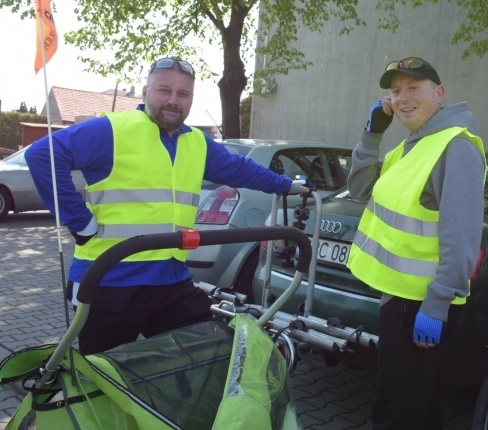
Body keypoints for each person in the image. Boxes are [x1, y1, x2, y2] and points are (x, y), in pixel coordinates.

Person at [25, 57, 309, 355]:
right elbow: (43, 155)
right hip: (109, 282)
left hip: (170, 281)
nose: (173, 101)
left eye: (183, 94)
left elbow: (240, 169)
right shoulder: (113, 130)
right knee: (104, 380)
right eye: (164, 90)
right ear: (146, 92)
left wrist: (287, 185)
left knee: (198, 365)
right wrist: (79, 221)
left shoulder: (196, 142)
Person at [347, 57, 486, 429]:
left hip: (422, 306)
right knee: (417, 409)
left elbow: (463, 235)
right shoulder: (411, 146)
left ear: (439, 93)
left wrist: (438, 302)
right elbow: (359, 188)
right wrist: (372, 132)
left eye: (413, 88)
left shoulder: (454, 146)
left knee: (397, 411)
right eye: (395, 91)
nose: (403, 97)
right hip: (400, 301)